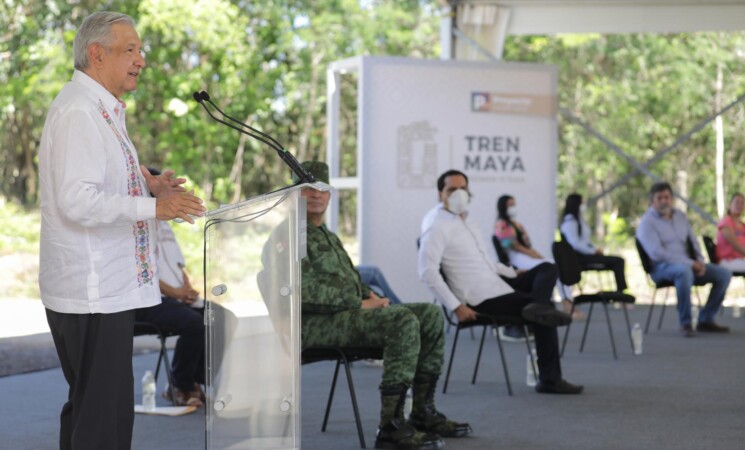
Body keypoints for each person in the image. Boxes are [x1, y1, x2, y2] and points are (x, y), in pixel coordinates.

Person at [38, 12, 204, 450]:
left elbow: (100, 181)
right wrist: (153, 206)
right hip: (93, 291)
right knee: (101, 421)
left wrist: (149, 183)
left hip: (106, 289)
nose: (141, 60)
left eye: (140, 50)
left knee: (94, 411)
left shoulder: (100, 108)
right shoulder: (79, 110)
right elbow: (76, 199)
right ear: (97, 54)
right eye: (130, 49)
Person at [286, 161, 471, 450]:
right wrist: (360, 302)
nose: (316, 195)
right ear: (294, 194)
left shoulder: (329, 237)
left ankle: (422, 412)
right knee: (402, 321)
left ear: (330, 195)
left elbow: (353, 281)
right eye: (307, 189)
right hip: (313, 326)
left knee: (430, 315)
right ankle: (391, 427)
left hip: (343, 318)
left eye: (322, 189)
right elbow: (300, 291)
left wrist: (373, 297)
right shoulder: (288, 237)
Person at [419, 169, 583, 395]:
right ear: (440, 195)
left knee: (547, 268)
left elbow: (487, 261)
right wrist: (456, 307)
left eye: (463, 188)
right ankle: (550, 379)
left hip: (498, 284)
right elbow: (427, 272)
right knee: (546, 313)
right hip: (480, 298)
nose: (459, 193)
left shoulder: (467, 220)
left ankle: (536, 306)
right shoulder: (436, 225)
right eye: (452, 189)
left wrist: (513, 272)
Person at [135, 169, 205, 407]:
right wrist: (174, 293)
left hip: (176, 297)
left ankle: (195, 382)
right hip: (147, 299)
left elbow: (176, 263)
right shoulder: (135, 220)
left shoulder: (165, 223)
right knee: (194, 323)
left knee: (221, 318)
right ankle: (180, 385)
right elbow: (140, 269)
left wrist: (186, 287)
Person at [636, 181, 731, 337]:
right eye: (659, 198)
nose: (663, 201)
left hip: (691, 264)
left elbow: (693, 242)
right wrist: (690, 264)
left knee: (724, 274)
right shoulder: (646, 223)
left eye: (666, 197)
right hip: (661, 268)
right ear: (652, 201)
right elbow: (657, 253)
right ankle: (685, 323)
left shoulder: (680, 216)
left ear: (671, 199)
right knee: (684, 272)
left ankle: (706, 319)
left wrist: (700, 262)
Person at [494, 194, 576, 320]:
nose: (513, 207)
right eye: (510, 205)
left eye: (514, 205)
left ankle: (566, 301)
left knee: (552, 265)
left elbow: (527, 243)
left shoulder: (517, 224)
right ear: (503, 206)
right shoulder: (501, 225)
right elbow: (513, 245)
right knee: (549, 266)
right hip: (516, 257)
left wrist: (534, 253)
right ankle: (561, 303)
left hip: (526, 254)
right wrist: (532, 254)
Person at [560, 193, 628, 292]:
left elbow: (585, 241)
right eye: (582, 203)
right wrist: (592, 251)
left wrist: (595, 248)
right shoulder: (569, 222)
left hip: (587, 254)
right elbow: (575, 244)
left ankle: (619, 293)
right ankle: (621, 293)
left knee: (616, 261)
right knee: (618, 261)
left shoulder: (579, 221)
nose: (584, 206)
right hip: (579, 258)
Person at [716, 192, 745, 272]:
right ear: (729, 205)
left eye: (742, 203)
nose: (740, 205)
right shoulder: (725, 222)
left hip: (740, 260)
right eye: (737, 202)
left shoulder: (742, 225)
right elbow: (736, 245)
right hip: (727, 261)